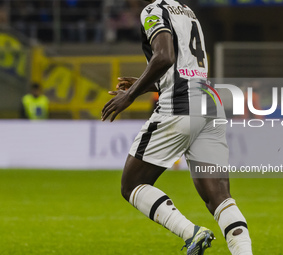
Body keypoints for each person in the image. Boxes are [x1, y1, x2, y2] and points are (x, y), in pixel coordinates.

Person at [101, 1, 253, 254]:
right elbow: (186, 68)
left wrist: (130, 95)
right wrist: (144, 84)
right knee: (219, 197)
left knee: (132, 185)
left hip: (181, 105)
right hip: (209, 103)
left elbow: (165, 57)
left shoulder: (153, 11)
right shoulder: (188, 12)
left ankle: (191, 232)